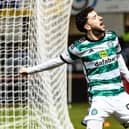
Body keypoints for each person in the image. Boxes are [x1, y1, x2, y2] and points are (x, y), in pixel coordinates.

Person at [20, 7, 129, 129]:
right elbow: (57, 61)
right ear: (87, 26)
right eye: (95, 17)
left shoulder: (112, 37)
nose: (100, 18)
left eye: (98, 15)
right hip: (100, 98)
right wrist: (30, 70)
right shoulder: (79, 47)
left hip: (120, 95)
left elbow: (119, 60)